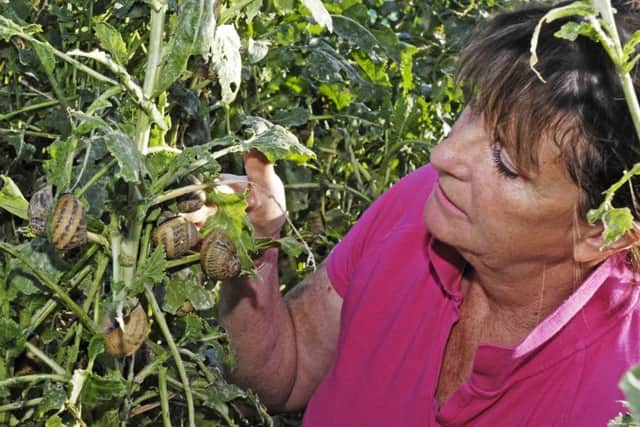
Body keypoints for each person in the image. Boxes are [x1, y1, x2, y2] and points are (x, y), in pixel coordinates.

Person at [217, 1, 640, 425]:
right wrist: (254, 250)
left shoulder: (618, 400)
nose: (444, 154)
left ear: (605, 234)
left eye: (507, 163)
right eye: (475, 108)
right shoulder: (425, 202)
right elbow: (286, 374)